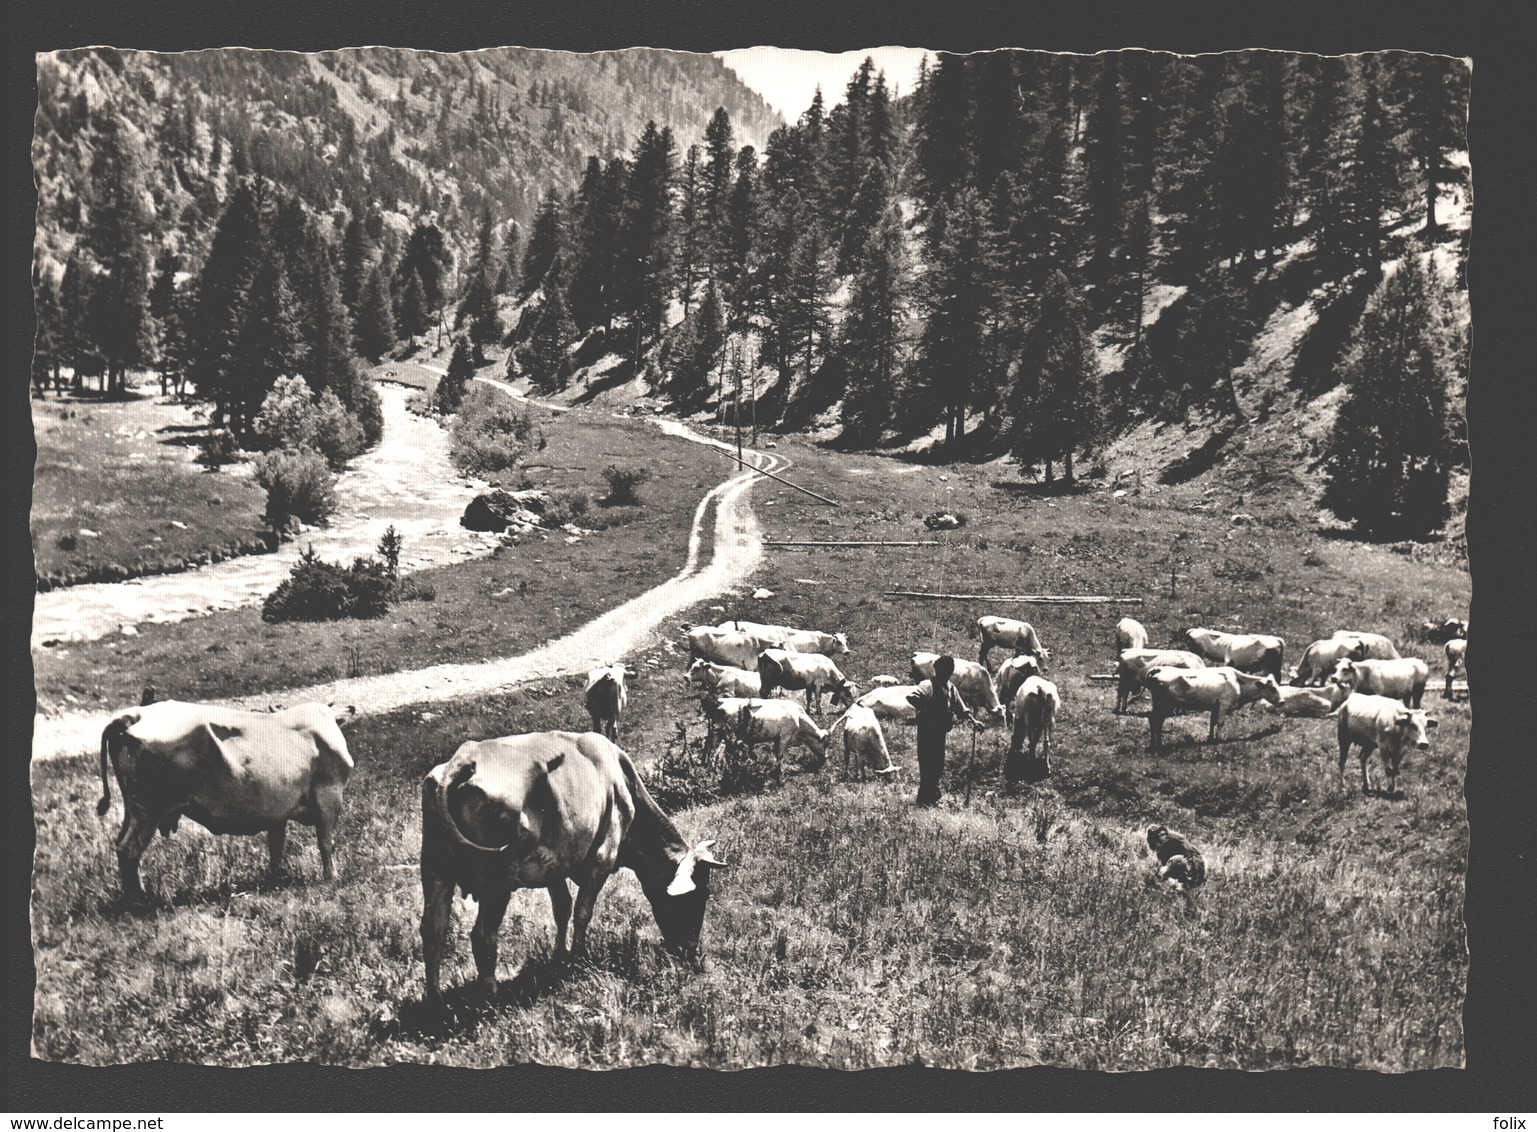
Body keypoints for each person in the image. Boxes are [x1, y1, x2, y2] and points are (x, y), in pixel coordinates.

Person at [906, 654, 982, 807]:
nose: (947, 672)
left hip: (940, 732)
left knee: (938, 765)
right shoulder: (928, 685)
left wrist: (974, 721)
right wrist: (927, 711)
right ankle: (925, 800)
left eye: (949, 670)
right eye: (944, 669)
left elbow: (962, 709)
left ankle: (931, 797)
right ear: (937, 670)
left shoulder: (951, 688)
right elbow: (911, 696)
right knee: (927, 765)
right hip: (927, 731)